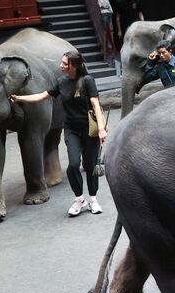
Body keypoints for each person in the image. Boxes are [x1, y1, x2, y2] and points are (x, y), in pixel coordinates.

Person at [11, 51, 107, 217]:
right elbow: (43, 96)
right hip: (71, 129)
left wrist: (101, 128)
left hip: (89, 129)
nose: (60, 65)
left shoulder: (87, 81)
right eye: (62, 62)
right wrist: (19, 98)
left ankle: (92, 198)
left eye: (64, 63)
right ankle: (79, 199)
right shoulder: (61, 82)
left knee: (91, 166)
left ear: (74, 65)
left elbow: (95, 104)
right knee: (73, 165)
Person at [111, 0, 143, 76]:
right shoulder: (119, 2)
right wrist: (119, 30)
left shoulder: (136, 0)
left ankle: (139, 63)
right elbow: (117, 17)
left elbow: (140, 13)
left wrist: (143, 23)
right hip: (125, 27)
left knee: (138, 44)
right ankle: (127, 65)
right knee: (127, 46)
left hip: (136, 26)